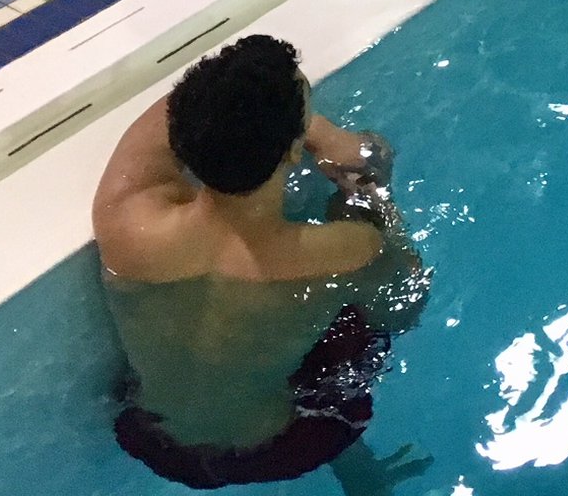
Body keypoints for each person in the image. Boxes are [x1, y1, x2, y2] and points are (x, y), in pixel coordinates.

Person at [92, 34, 430, 493]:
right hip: (281, 447)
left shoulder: (127, 220)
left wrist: (289, 118)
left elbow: (173, 109)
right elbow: (405, 308)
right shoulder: (346, 251)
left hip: (153, 438)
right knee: (357, 326)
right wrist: (370, 187)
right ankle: (360, 473)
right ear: (294, 149)